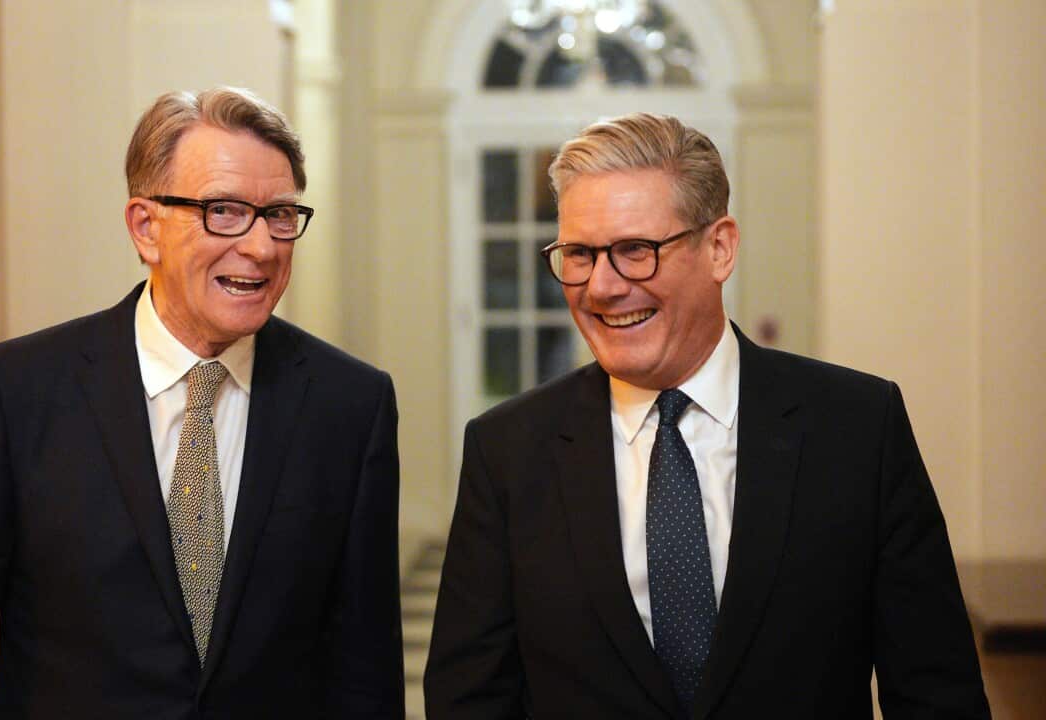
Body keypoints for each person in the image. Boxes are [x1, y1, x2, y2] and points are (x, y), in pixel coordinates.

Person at [424, 113, 989, 719]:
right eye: (581, 254)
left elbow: (936, 691)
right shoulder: (508, 450)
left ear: (719, 248)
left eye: (636, 250)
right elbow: (470, 699)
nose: (603, 287)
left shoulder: (857, 428)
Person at [0, 87, 404, 718]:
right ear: (146, 227)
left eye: (281, 215)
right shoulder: (16, 392)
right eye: (226, 212)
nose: (262, 247)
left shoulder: (350, 405)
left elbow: (364, 671)